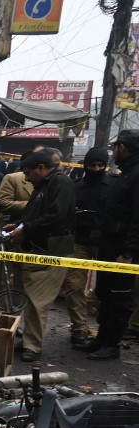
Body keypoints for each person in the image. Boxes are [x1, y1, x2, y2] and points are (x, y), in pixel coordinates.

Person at [5, 150, 76, 363]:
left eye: (29, 173)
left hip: (50, 250)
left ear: (41, 168)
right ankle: (29, 339)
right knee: (30, 298)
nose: (27, 178)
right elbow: (34, 213)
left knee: (38, 300)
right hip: (36, 248)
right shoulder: (44, 185)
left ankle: (33, 346)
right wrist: (19, 225)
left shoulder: (60, 183)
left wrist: (26, 229)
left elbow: (55, 216)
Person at [79, 132, 139, 359]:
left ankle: (111, 345)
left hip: (123, 249)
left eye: (116, 148)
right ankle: (101, 339)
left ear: (122, 148)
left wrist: (128, 252)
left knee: (119, 297)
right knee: (105, 292)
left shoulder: (136, 175)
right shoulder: (127, 174)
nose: (113, 152)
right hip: (110, 243)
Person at [64, 147, 108, 349]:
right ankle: (79, 327)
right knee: (74, 285)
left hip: (105, 243)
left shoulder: (114, 187)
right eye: (92, 165)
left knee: (107, 288)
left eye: (100, 165)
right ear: (85, 166)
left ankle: (106, 328)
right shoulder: (75, 188)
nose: (96, 169)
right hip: (79, 242)